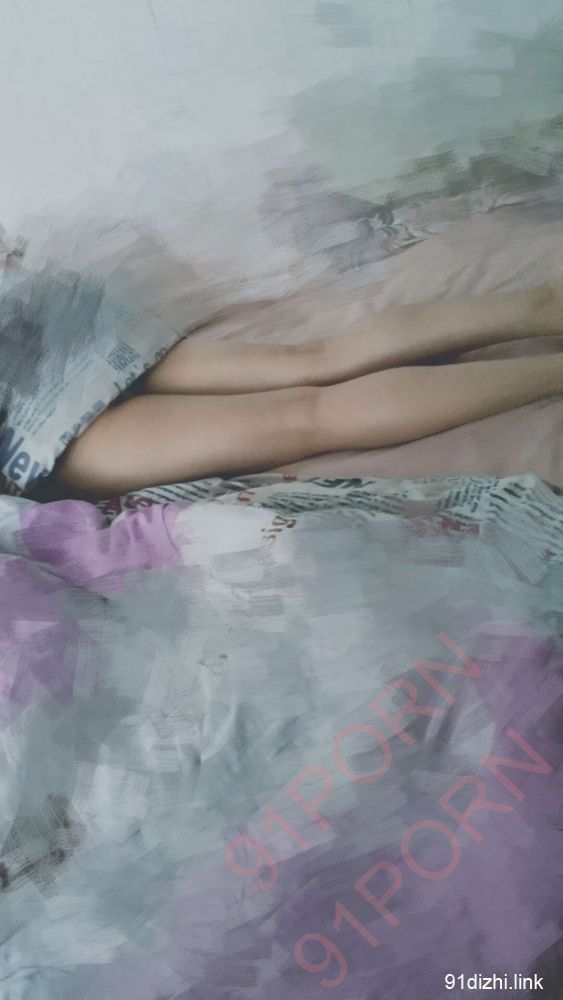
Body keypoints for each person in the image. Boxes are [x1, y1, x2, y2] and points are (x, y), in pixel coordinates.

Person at [50, 277, 563, 498]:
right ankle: (547, 305)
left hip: (41, 449)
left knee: (315, 414)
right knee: (319, 357)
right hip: (50, 367)